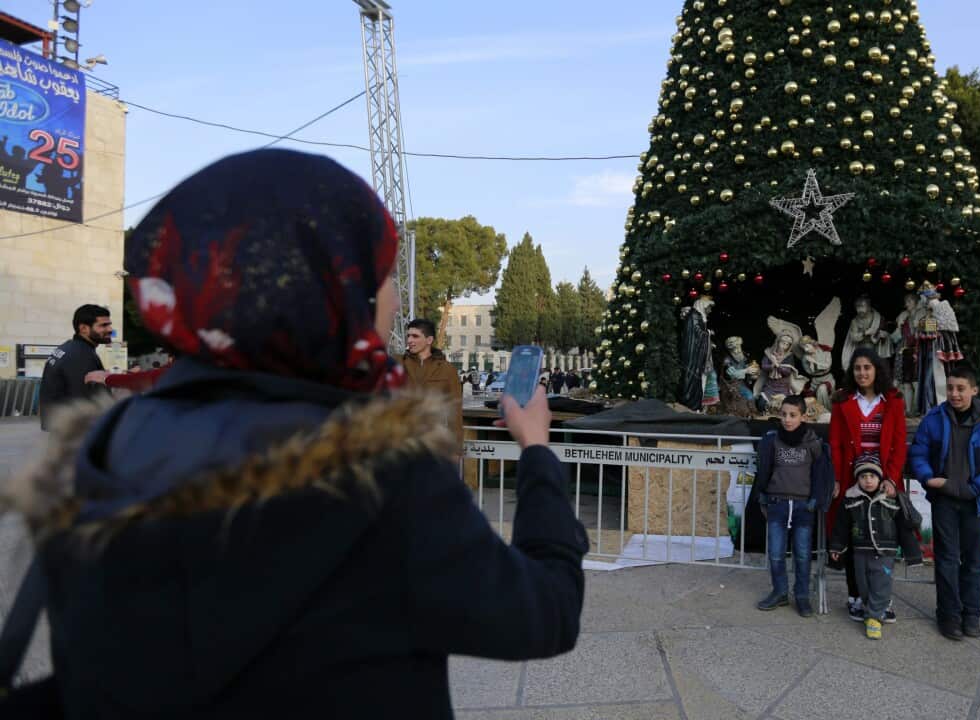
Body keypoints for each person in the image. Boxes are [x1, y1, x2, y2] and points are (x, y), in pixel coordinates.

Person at [1, 149, 588, 718]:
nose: (391, 302)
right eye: (380, 277)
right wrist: (536, 452)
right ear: (337, 295)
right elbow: (543, 614)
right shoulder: (381, 475)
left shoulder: (101, 449)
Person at [909, 362, 980, 641]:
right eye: (951, 388)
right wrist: (928, 477)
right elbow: (918, 453)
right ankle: (949, 615)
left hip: (975, 503)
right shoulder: (934, 419)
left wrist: (977, 488)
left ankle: (971, 615)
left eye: (961, 389)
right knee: (946, 560)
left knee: (973, 562)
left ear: (974, 390)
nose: (954, 394)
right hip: (944, 500)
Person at [827, 347, 907, 623]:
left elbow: (898, 443)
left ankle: (881, 600)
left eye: (867, 368)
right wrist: (838, 479)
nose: (862, 373)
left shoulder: (894, 400)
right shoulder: (842, 400)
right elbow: (835, 444)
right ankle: (856, 598)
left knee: (882, 543)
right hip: (852, 482)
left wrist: (892, 479)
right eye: (857, 368)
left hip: (883, 482)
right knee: (853, 539)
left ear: (877, 370)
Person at [753, 395, 834, 618]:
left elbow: (820, 473)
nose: (787, 420)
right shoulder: (772, 441)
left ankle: (802, 596)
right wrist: (763, 496)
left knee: (802, 554)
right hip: (778, 504)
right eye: (784, 414)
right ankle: (779, 591)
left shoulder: (812, 443)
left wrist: (815, 499)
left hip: (802, 506)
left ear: (803, 416)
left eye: (793, 415)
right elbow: (764, 470)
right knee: (777, 553)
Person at [828, 454, 916, 639]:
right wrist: (837, 547)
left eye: (872, 477)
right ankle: (876, 607)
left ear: (880, 478)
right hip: (860, 551)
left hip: (885, 551)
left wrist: (912, 553)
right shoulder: (850, 499)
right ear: (857, 478)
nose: (868, 481)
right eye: (863, 477)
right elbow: (841, 527)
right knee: (864, 586)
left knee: (881, 583)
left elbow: (904, 527)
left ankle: (874, 618)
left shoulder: (890, 499)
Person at [37, 304, 113, 431]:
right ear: (83, 328)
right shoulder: (81, 355)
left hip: (62, 427)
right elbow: (86, 398)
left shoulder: (69, 348)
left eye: (109, 324)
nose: (110, 329)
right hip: (75, 430)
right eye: (103, 325)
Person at [404, 318, 464, 445]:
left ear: (429, 340)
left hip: (434, 443)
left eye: (415, 336)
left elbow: (455, 411)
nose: (409, 340)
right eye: (408, 336)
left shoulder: (447, 370)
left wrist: (457, 448)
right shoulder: (398, 364)